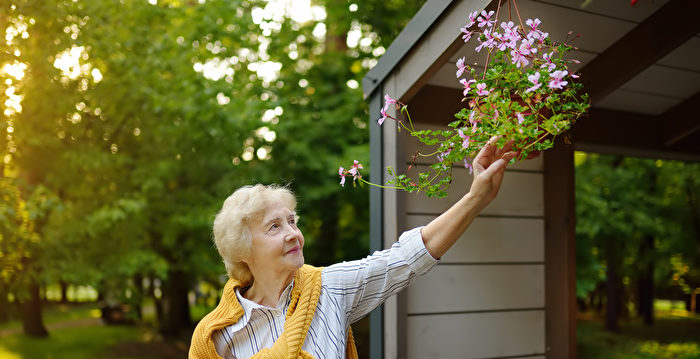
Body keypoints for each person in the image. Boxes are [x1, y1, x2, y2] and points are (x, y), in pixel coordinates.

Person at [189, 137, 518, 359]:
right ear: (243, 250)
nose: (293, 233)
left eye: (292, 221)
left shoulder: (330, 288)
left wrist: (476, 198)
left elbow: (406, 258)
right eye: (275, 226)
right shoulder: (215, 336)